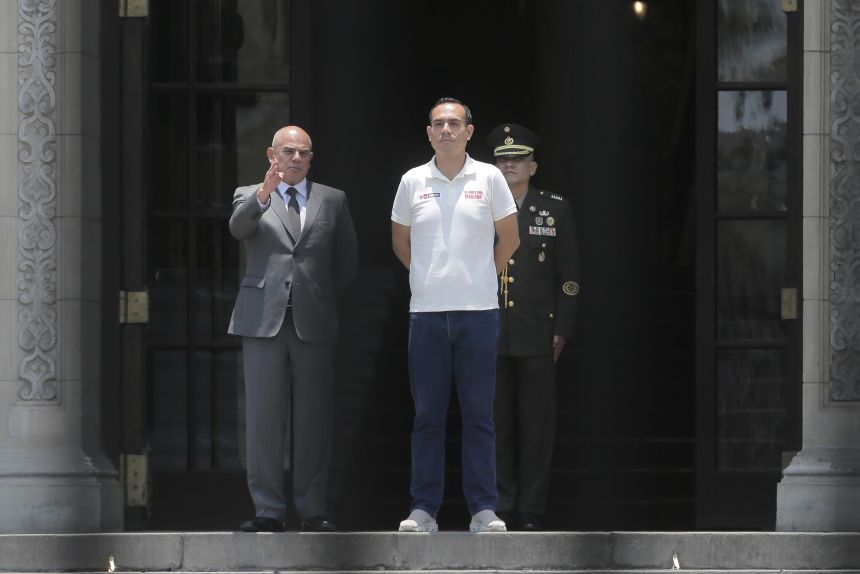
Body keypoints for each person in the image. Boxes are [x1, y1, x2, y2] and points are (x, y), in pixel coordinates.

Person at [391, 98, 520, 533]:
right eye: (438, 124)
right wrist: (430, 278)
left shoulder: (490, 178)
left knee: (479, 415)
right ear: (428, 132)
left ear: (469, 130)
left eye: (454, 123)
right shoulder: (412, 181)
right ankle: (423, 509)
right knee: (427, 414)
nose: (446, 130)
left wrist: (479, 276)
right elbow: (401, 243)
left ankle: (483, 510)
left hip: (479, 314)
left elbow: (510, 239)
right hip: (426, 315)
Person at [228, 125, 358, 532]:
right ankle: (267, 510)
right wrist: (263, 194)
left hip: (313, 321)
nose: (297, 158)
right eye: (289, 151)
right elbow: (238, 228)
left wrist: (317, 294)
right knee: (263, 419)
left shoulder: (332, 200)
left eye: (304, 152)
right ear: (272, 154)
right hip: (262, 320)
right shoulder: (250, 194)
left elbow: (346, 262)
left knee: (314, 419)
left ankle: (311, 509)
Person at [485, 123, 581, 531]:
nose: (509, 165)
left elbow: (569, 275)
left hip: (538, 331)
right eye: (503, 159)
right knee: (496, 423)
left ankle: (531, 508)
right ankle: (500, 505)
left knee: (536, 425)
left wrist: (563, 327)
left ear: (533, 165)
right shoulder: (480, 204)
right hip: (488, 328)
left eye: (518, 159)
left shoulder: (554, 207)